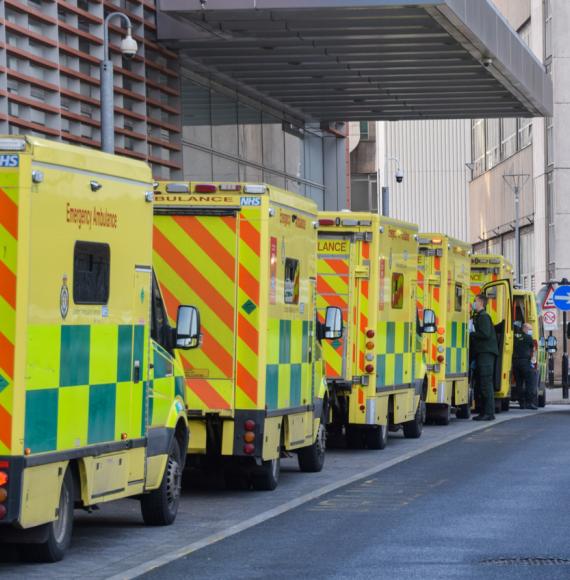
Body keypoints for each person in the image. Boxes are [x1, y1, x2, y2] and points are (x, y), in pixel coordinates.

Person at [470, 294, 499, 421]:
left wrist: (471, 333)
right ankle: (484, 412)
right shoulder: (480, 317)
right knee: (482, 383)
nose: (473, 303)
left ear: (481, 303)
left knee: (486, 383)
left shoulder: (484, 317)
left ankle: (489, 413)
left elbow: (485, 334)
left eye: (475, 301)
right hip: (483, 353)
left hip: (486, 354)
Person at [513, 322, 538, 410]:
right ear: (525, 328)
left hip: (515, 362)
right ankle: (529, 402)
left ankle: (521, 404)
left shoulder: (515, 337)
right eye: (530, 329)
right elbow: (533, 348)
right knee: (529, 382)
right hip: (525, 362)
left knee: (519, 384)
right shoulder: (528, 337)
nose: (530, 331)